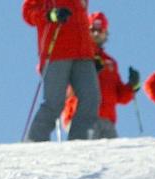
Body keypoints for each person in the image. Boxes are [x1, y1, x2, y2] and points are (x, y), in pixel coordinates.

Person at [22, 0, 100, 141]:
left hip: (83, 54)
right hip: (57, 52)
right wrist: (50, 15)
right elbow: (28, 13)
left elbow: (81, 24)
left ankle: (79, 140)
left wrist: (94, 54)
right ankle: (35, 140)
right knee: (54, 102)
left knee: (91, 98)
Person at [61, 11, 140, 139]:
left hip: (106, 120)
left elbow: (120, 96)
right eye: (93, 29)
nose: (97, 33)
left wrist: (132, 86)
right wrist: (89, 74)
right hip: (81, 117)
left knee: (114, 157)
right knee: (85, 155)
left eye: (100, 30)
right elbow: (65, 87)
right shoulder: (76, 55)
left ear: (106, 33)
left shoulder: (110, 62)